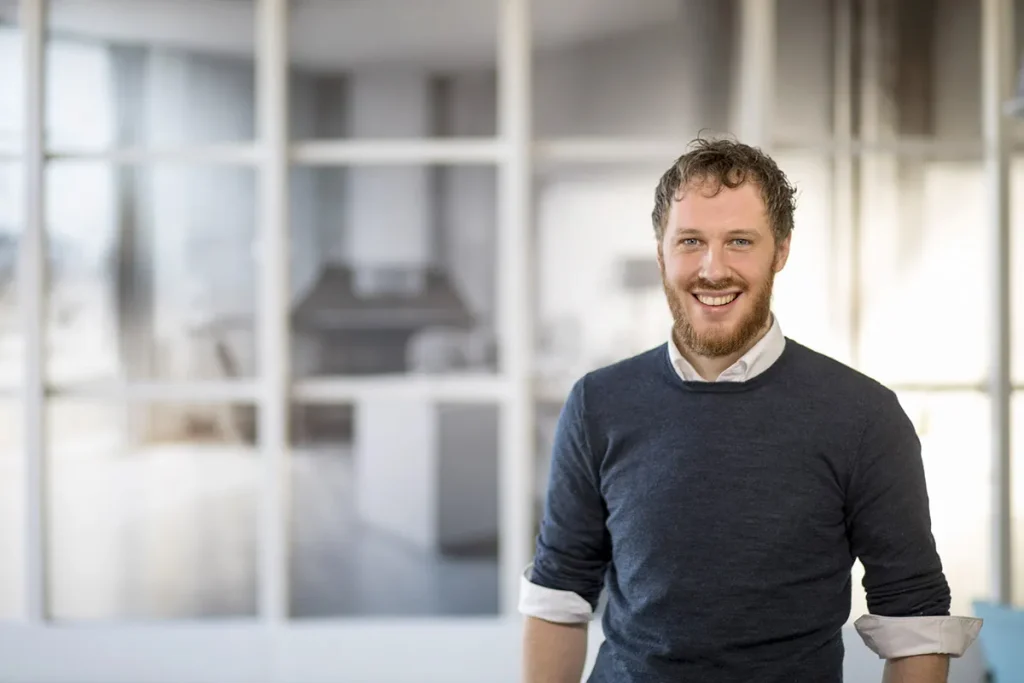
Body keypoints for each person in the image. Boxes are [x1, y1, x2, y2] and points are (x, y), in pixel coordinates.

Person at [519, 137, 983, 683]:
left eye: (739, 241)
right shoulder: (597, 403)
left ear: (781, 250)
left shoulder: (863, 416)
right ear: (661, 250)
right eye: (691, 240)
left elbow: (915, 617)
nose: (713, 269)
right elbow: (558, 597)